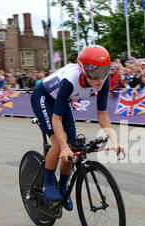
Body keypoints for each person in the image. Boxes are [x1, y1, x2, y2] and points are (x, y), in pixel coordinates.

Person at [30, 45, 122, 211]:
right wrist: (64, 147)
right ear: (84, 70)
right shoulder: (70, 80)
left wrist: (115, 141)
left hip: (62, 100)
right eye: (95, 74)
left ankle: (63, 187)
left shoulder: (102, 81)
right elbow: (56, 118)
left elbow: (102, 115)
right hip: (43, 97)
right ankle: (48, 184)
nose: (100, 79)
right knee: (60, 144)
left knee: (72, 147)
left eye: (104, 72)